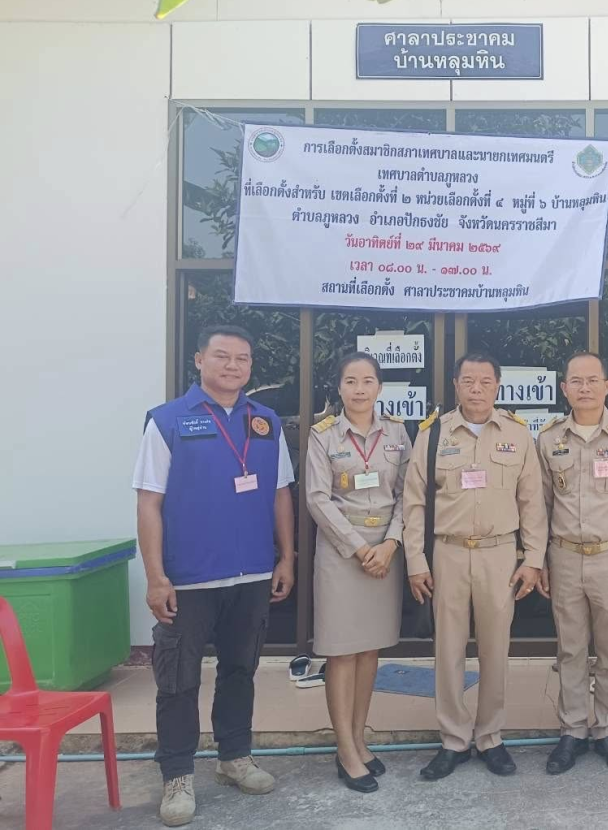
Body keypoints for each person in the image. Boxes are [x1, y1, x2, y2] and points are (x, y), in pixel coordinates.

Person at [133, 326, 295, 827]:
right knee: (177, 681)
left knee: (240, 671)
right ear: (199, 359)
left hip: (251, 575)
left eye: (242, 358)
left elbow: (280, 493)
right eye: (221, 356)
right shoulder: (167, 421)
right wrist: (156, 576)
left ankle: (234, 757)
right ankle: (177, 775)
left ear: (251, 367)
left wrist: (286, 557)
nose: (232, 365)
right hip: (189, 579)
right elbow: (149, 502)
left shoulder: (265, 422)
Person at [403, 352, 548, 781]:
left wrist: (533, 559)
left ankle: (490, 736)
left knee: (495, 650)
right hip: (447, 552)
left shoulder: (517, 435)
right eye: (469, 381)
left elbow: (532, 502)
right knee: (447, 650)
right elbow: (414, 502)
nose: (477, 389)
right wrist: (415, 560)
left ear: (498, 386)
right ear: (456, 385)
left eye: (486, 381)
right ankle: (453, 738)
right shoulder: (433, 434)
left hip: (499, 553)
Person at [535, 352, 608, 775]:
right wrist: (538, 559)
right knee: (569, 649)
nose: (584, 388)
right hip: (564, 556)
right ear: (564, 388)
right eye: (575, 381)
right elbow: (540, 506)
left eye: (592, 380)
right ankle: (572, 731)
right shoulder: (548, 438)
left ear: (607, 386)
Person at [306, 352, 411, 793]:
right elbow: (317, 498)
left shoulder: (398, 432)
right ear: (339, 387)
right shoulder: (323, 435)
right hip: (342, 553)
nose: (360, 389)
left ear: (379, 387)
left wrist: (390, 544)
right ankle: (345, 748)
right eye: (351, 381)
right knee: (341, 652)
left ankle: (359, 737)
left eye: (368, 381)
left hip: (385, 550)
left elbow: (409, 494)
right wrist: (360, 548)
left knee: (370, 650)